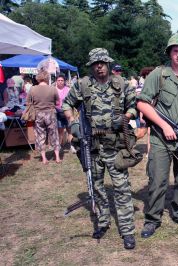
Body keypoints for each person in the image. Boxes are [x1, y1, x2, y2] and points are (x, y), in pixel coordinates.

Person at [62, 48, 137, 250]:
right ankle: (103, 222)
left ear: (109, 63)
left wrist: (126, 117)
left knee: (122, 189)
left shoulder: (122, 84)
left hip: (116, 146)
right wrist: (72, 122)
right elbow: (66, 104)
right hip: (92, 147)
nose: (100, 66)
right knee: (97, 188)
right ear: (91, 66)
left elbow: (134, 106)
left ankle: (128, 231)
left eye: (103, 62)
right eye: (96, 63)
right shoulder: (82, 85)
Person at [136, 33, 178, 238]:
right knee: (157, 181)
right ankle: (152, 219)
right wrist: (164, 125)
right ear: (169, 53)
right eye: (174, 51)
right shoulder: (158, 74)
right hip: (160, 138)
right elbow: (142, 103)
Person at [27, 70, 61, 164]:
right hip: (50, 113)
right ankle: (57, 157)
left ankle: (44, 158)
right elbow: (58, 102)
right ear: (47, 78)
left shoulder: (32, 89)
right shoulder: (53, 88)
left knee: (40, 135)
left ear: (38, 78)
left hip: (38, 114)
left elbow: (28, 102)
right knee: (54, 134)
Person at [54, 73, 73, 150]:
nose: (60, 82)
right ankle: (60, 145)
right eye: (59, 80)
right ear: (56, 81)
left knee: (70, 129)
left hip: (67, 111)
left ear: (64, 81)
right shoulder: (53, 89)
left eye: (62, 80)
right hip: (57, 112)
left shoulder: (68, 89)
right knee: (60, 129)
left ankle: (71, 145)